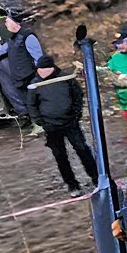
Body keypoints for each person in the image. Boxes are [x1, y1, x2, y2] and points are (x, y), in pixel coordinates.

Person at [26, 56, 98, 197]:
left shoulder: (66, 79)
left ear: (52, 68)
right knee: (60, 156)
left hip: (70, 122)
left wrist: (76, 114)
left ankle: (96, 178)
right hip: (51, 126)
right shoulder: (35, 85)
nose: (41, 72)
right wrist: (40, 121)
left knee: (82, 149)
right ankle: (72, 184)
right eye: (39, 70)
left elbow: (78, 95)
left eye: (44, 69)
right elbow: (31, 104)